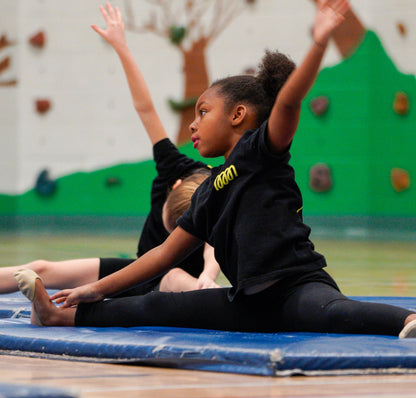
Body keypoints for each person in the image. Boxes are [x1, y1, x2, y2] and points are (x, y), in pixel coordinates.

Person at [14, 0, 416, 338]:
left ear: (239, 115)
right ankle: (56, 314)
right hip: (244, 302)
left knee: (335, 312)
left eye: (203, 112)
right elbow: (161, 256)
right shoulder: (207, 190)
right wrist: (95, 290)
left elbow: (289, 104)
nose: (192, 123)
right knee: (154, 307)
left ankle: (409, 319)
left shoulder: (262, 152)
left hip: (297, 288)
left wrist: (318, 43)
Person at [1, 2, 220, 296]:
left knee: (175, 277)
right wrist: (122, 48)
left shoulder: (218, 193)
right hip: (137, 271)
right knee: (40, 268)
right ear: (175, 185)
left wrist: (208, 274)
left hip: (169, 285)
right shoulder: (174, 165)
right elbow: (146, 109)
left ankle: (207, 296)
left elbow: (212, 246)